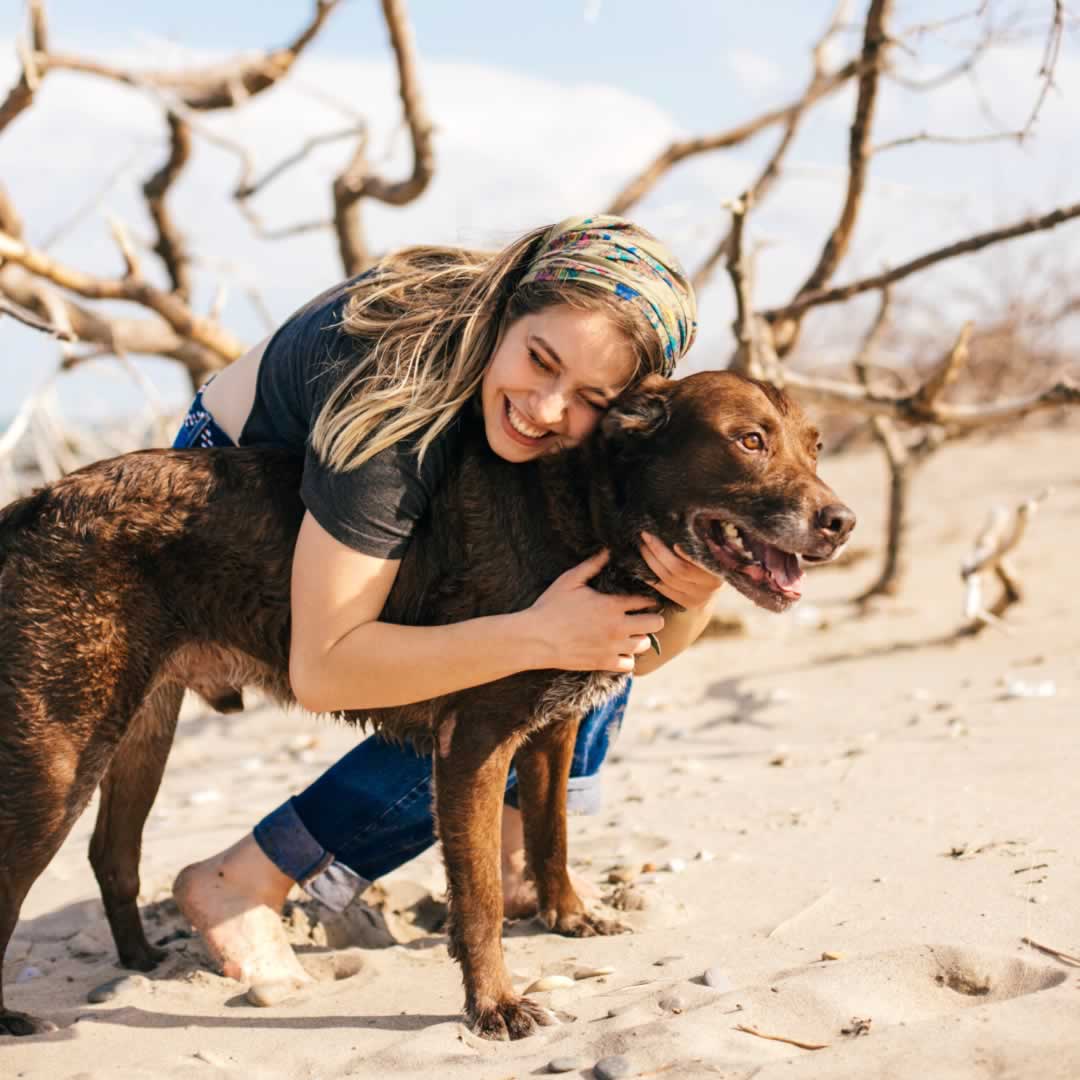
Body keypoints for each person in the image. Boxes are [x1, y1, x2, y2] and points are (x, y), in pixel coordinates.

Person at [171, 215, 722, 999]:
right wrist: (529, 635)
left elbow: (633, 654)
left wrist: (692, 594)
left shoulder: (541, 407)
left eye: (592, 397)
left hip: (396, 468)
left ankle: (515, 860)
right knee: (482, 665)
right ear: (506, 311)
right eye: (540, 360)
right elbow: (329, 671)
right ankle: (245, 878)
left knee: (583, 610)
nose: (546, 407)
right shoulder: (392, 395)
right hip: (231, 497)